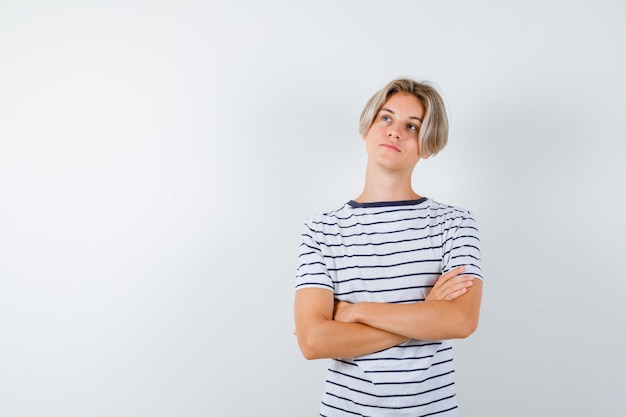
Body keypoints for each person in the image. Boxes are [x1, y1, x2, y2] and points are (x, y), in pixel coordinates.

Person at [294, 77, 483, 417]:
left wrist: (354, 312)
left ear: (428, 145)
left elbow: (460, 320)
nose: (395, 131)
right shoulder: (321, 231)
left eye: (412, 125)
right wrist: (424, 315)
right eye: (386, 117)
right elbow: (313, 341)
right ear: (367, 128)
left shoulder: (454, 224)